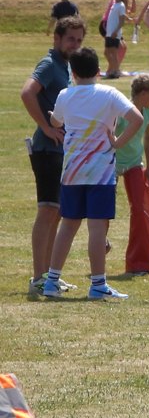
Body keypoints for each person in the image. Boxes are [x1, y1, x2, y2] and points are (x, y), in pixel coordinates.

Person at [41, 48, 144, 300]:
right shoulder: (109, 93)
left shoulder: (65, 94)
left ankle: (51, 281)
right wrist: (117, 142)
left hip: (72, 172)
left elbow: (56, 122)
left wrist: (53, 117)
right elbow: (137, 119)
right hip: (101, 172)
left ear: (73, 73)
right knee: (97, 227)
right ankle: (98, 284)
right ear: (98, 71)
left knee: (68, 225)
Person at [20, 15, 87, 296]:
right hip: (47, 150)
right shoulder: (49, 64)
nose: (75, 44)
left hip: (63, 150)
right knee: (47, 210)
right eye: (70, 39)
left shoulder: (67, 66)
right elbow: (27, 93)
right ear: (57, 38)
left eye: (79, 40)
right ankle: (38, 277)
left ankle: (49, 277)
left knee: (57, 213)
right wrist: (46, 127)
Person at [115, 74, 149, 274]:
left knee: (139, 208)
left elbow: (148, 139)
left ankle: (137, 262)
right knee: (105, 210)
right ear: (142, 94)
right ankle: (101, 244)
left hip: (134, 163)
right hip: (113, 163)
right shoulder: (122, 112)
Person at [102, 0, 131, 79]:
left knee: (113, 53)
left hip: (114, 33)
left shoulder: (121, 5)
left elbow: (121, 21)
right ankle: (114, 68)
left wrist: (116, 31)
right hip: (109, 32)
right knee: (106, 52)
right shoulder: (114, 4)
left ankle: (115, 71)